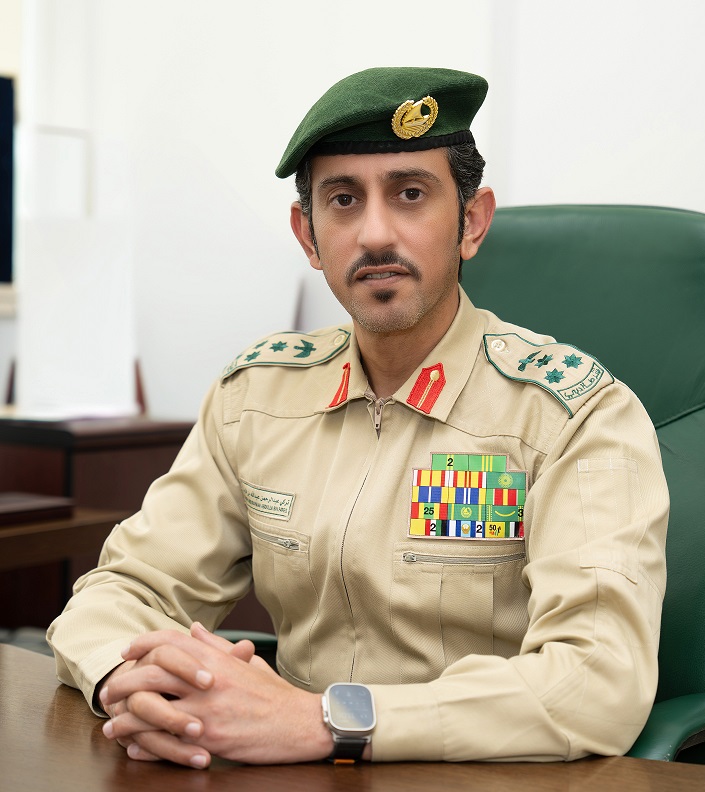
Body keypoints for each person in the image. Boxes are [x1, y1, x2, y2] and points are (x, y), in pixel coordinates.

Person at [47, 66, 669, 769]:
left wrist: (323, 720)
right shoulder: (257, 398)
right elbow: (125, 589)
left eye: (410, 194)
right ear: (309, 236)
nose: (375, 233)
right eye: (343, 200)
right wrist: (130, 680)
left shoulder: (572, 416)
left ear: (470, 222)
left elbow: (597, 682)